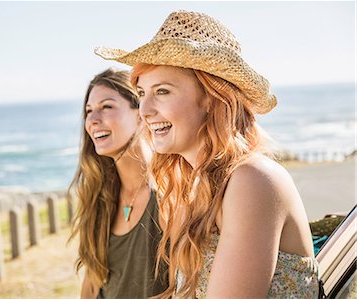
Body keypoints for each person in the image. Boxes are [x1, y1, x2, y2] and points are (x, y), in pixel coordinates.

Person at [95, 10, 319, 298]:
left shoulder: (254, 180)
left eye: (162, 91)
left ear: (212, 100)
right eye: (141, 93)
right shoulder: (195, 187)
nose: (145, 111)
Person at [68, 68, 168, 298]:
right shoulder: (99, 197)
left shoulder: (169, 195)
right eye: (89, 111)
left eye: (106, 107)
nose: (92, 120)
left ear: (140, 113)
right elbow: (91, 286)